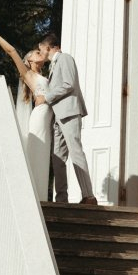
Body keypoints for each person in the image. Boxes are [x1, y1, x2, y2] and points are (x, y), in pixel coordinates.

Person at [0, 27, 52, 201]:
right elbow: (11, 50)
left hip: (49, 119)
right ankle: (32, 199)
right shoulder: (28, 74)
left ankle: (41, 198)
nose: (40, 53)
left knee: (43, 159)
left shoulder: (51, 74)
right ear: (29, 59)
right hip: (40, 117)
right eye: (36, 52)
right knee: (37, 154)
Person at [37, 31, 98, 206]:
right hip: (58, 117)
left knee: (76, 152)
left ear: (48, 47)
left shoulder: (65, 58)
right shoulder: (53, 66)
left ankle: (89, 196)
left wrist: (46, 97)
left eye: (41, 49)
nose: (40, 52)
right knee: (57, 158)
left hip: (70, 112)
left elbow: (69, 84)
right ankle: (61, 199)